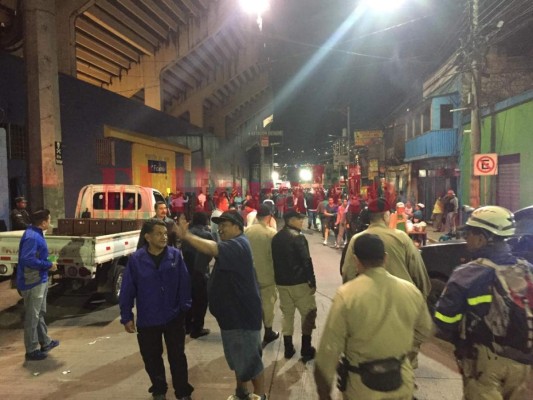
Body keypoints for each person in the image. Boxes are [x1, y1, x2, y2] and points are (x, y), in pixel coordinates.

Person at [315, 234, 433, 399]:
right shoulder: (410, 290)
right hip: (400, 381)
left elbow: (328, 352)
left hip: (362, 387)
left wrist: (324, 393)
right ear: (385, 258)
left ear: (356, 261)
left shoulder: (347, 295)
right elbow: (424, 330)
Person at [434, 206, 533, 399]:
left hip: (485, 363)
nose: (466, 238)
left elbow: (444, 322)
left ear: (482, 238)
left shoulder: (467, 274)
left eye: (469, 232)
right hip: (523, 364)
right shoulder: (527, 269)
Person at [175, 210, 266, 400]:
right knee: (238, 360)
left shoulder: (238, 245)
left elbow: (212, 248)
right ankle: (242, 393)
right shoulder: (234, 245)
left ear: (237, 227)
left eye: (225, 225)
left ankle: (260, 395)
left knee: (251, 362)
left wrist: (187, 236)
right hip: (232, 318)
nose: (220, 229)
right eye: (219, 225)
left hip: (242, 317)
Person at [119, 220, 193, 400]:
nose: (164, 237)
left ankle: (182, 392)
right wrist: (126, 315)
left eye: (165, 234)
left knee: (177, 357)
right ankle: (159, 389)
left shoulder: (175, 256)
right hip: (148, 317)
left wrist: (185, 308)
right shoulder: (137, 260)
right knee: (152, 358)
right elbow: (128, 289)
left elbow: (184, 283)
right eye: (159, 233)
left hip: (173, 316)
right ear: (147, 237)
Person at [271, 208, 317, 362]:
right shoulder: (298, 238)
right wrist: (312, 281)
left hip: (282, 283)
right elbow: (306, 261)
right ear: (290, 220)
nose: (301, 221)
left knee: (287, 315)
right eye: (299, 219)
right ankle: (306, 347)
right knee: (308, 313)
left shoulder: (276, 237)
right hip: (299, 283)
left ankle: (288, 348)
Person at [17, 208, 60, 362]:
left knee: (39, 313)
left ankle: (45, 342)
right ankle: (31, 349)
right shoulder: (32, 237)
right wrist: (47, 265)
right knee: (32, 316)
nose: (50, 222)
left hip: (39, 279)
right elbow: (27, 260)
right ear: (43, 222)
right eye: (49, 219)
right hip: (32, 281)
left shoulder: (36, 234)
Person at [245, 205, 279, 348]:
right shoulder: (271, 234)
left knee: (252, 303)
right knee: (268, 304)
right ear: (269, 217)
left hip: (250, 275)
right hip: (267, 276)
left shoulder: (246, 232)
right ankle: (268, 331)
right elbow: (276, 257)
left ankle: (252, 333)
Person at [181, 212, 215, 339]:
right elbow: (212, 251)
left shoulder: (187, 234)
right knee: (201, 302)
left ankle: (187, 326)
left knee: (189, 300)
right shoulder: (207, 234)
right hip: (201, 272)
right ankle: (197, 328)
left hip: (187, 271)